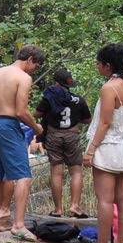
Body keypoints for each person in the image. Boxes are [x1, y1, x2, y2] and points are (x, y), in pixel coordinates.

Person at [0, 44, 46, 239]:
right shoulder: (24, 77)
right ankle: (18, 224)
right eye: (37, 65)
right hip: (7, 125)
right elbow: (21, 111)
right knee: (23, 175)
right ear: (30, 59)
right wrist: (36, 128)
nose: (35, 69)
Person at [83, 43, 123, 243]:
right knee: (122, 197)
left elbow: (104, 123)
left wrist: (90, 150)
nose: (97, 67)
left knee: (105, 199)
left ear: (107, 65)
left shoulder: (109, 88)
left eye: (98, 63)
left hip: (109, 147)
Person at [35, 67, 90, 217]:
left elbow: (37, 113)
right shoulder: (79, 99)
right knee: (76, 171)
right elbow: (87, 119)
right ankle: (75, 206)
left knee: (56, 173)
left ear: (56, 83)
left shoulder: (49, 98)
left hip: (54, 136)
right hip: (72, 136)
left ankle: (58, 209)